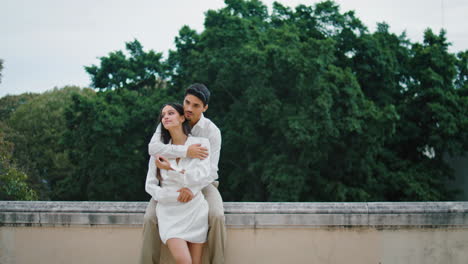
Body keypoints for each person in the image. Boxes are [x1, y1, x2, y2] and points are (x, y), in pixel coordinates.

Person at [140, 83, 226, 264]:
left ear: (205, 108)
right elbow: (154, 148)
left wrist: (192, 189)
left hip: (203, 183)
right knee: (149, 218)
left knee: (216, 215)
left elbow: (210, 170)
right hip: (170, 185)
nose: (188, 109)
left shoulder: (211, 132)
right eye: (187, 102)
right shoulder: (172, 117)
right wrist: (186, 152)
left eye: (195, 105)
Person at [145, 103, 211, 264]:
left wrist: (190, 189)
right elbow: (150, 185)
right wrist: (169, 196)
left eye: (171, 113)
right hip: (169, 212)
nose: (165, 117)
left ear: (182, 118)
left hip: (195, 208)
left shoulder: (201, 144)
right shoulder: (158, 151)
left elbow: (202, 175)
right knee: (184, 261)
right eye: (163, 115)